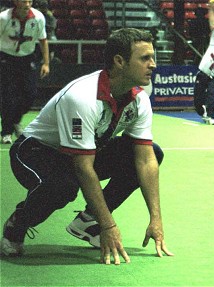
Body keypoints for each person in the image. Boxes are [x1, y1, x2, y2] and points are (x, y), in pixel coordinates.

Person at [0, 28, 174, 265]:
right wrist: (109, 225)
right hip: (35, 151)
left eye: (153, 57)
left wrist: (156, 219)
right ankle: (16, 226)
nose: (153, 64)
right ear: (120, 61)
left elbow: (145, 160)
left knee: (153, 151)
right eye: (145, 58)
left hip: (84, 153)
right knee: (62, 187)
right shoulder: (82, 97)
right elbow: (83, 168)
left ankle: (87, 220)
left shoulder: (140, 100)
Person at [0, 0, 50, 144]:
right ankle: (6, 132)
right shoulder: (4, 18)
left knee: (30, 94)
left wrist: (46, 63)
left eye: (29, 1)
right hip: (6, 57)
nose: (27, 4)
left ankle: (15, 120)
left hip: (27, 58)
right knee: (8, 96)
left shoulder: (38, 17)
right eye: (24, 1)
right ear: (16, 2)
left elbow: (43, 40)